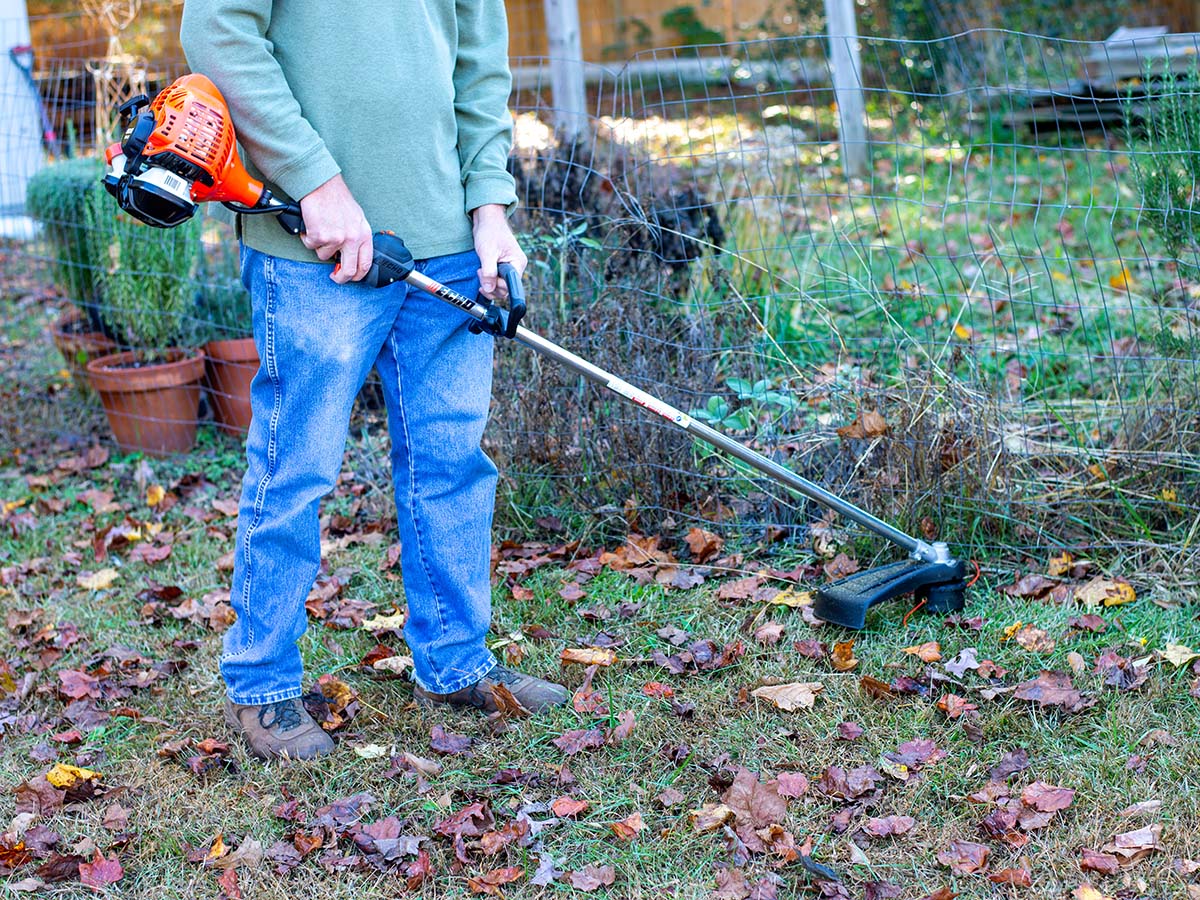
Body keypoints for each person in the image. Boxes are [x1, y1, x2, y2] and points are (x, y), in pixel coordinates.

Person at [179, 0, 568, 760]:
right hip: (312, 246)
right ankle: (260, 683)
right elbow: (218, 31)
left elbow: (481, 64)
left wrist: (490, 208)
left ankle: (455, 662)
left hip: (452, 245)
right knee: (296, 468)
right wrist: (314, 180)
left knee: (452, 464)